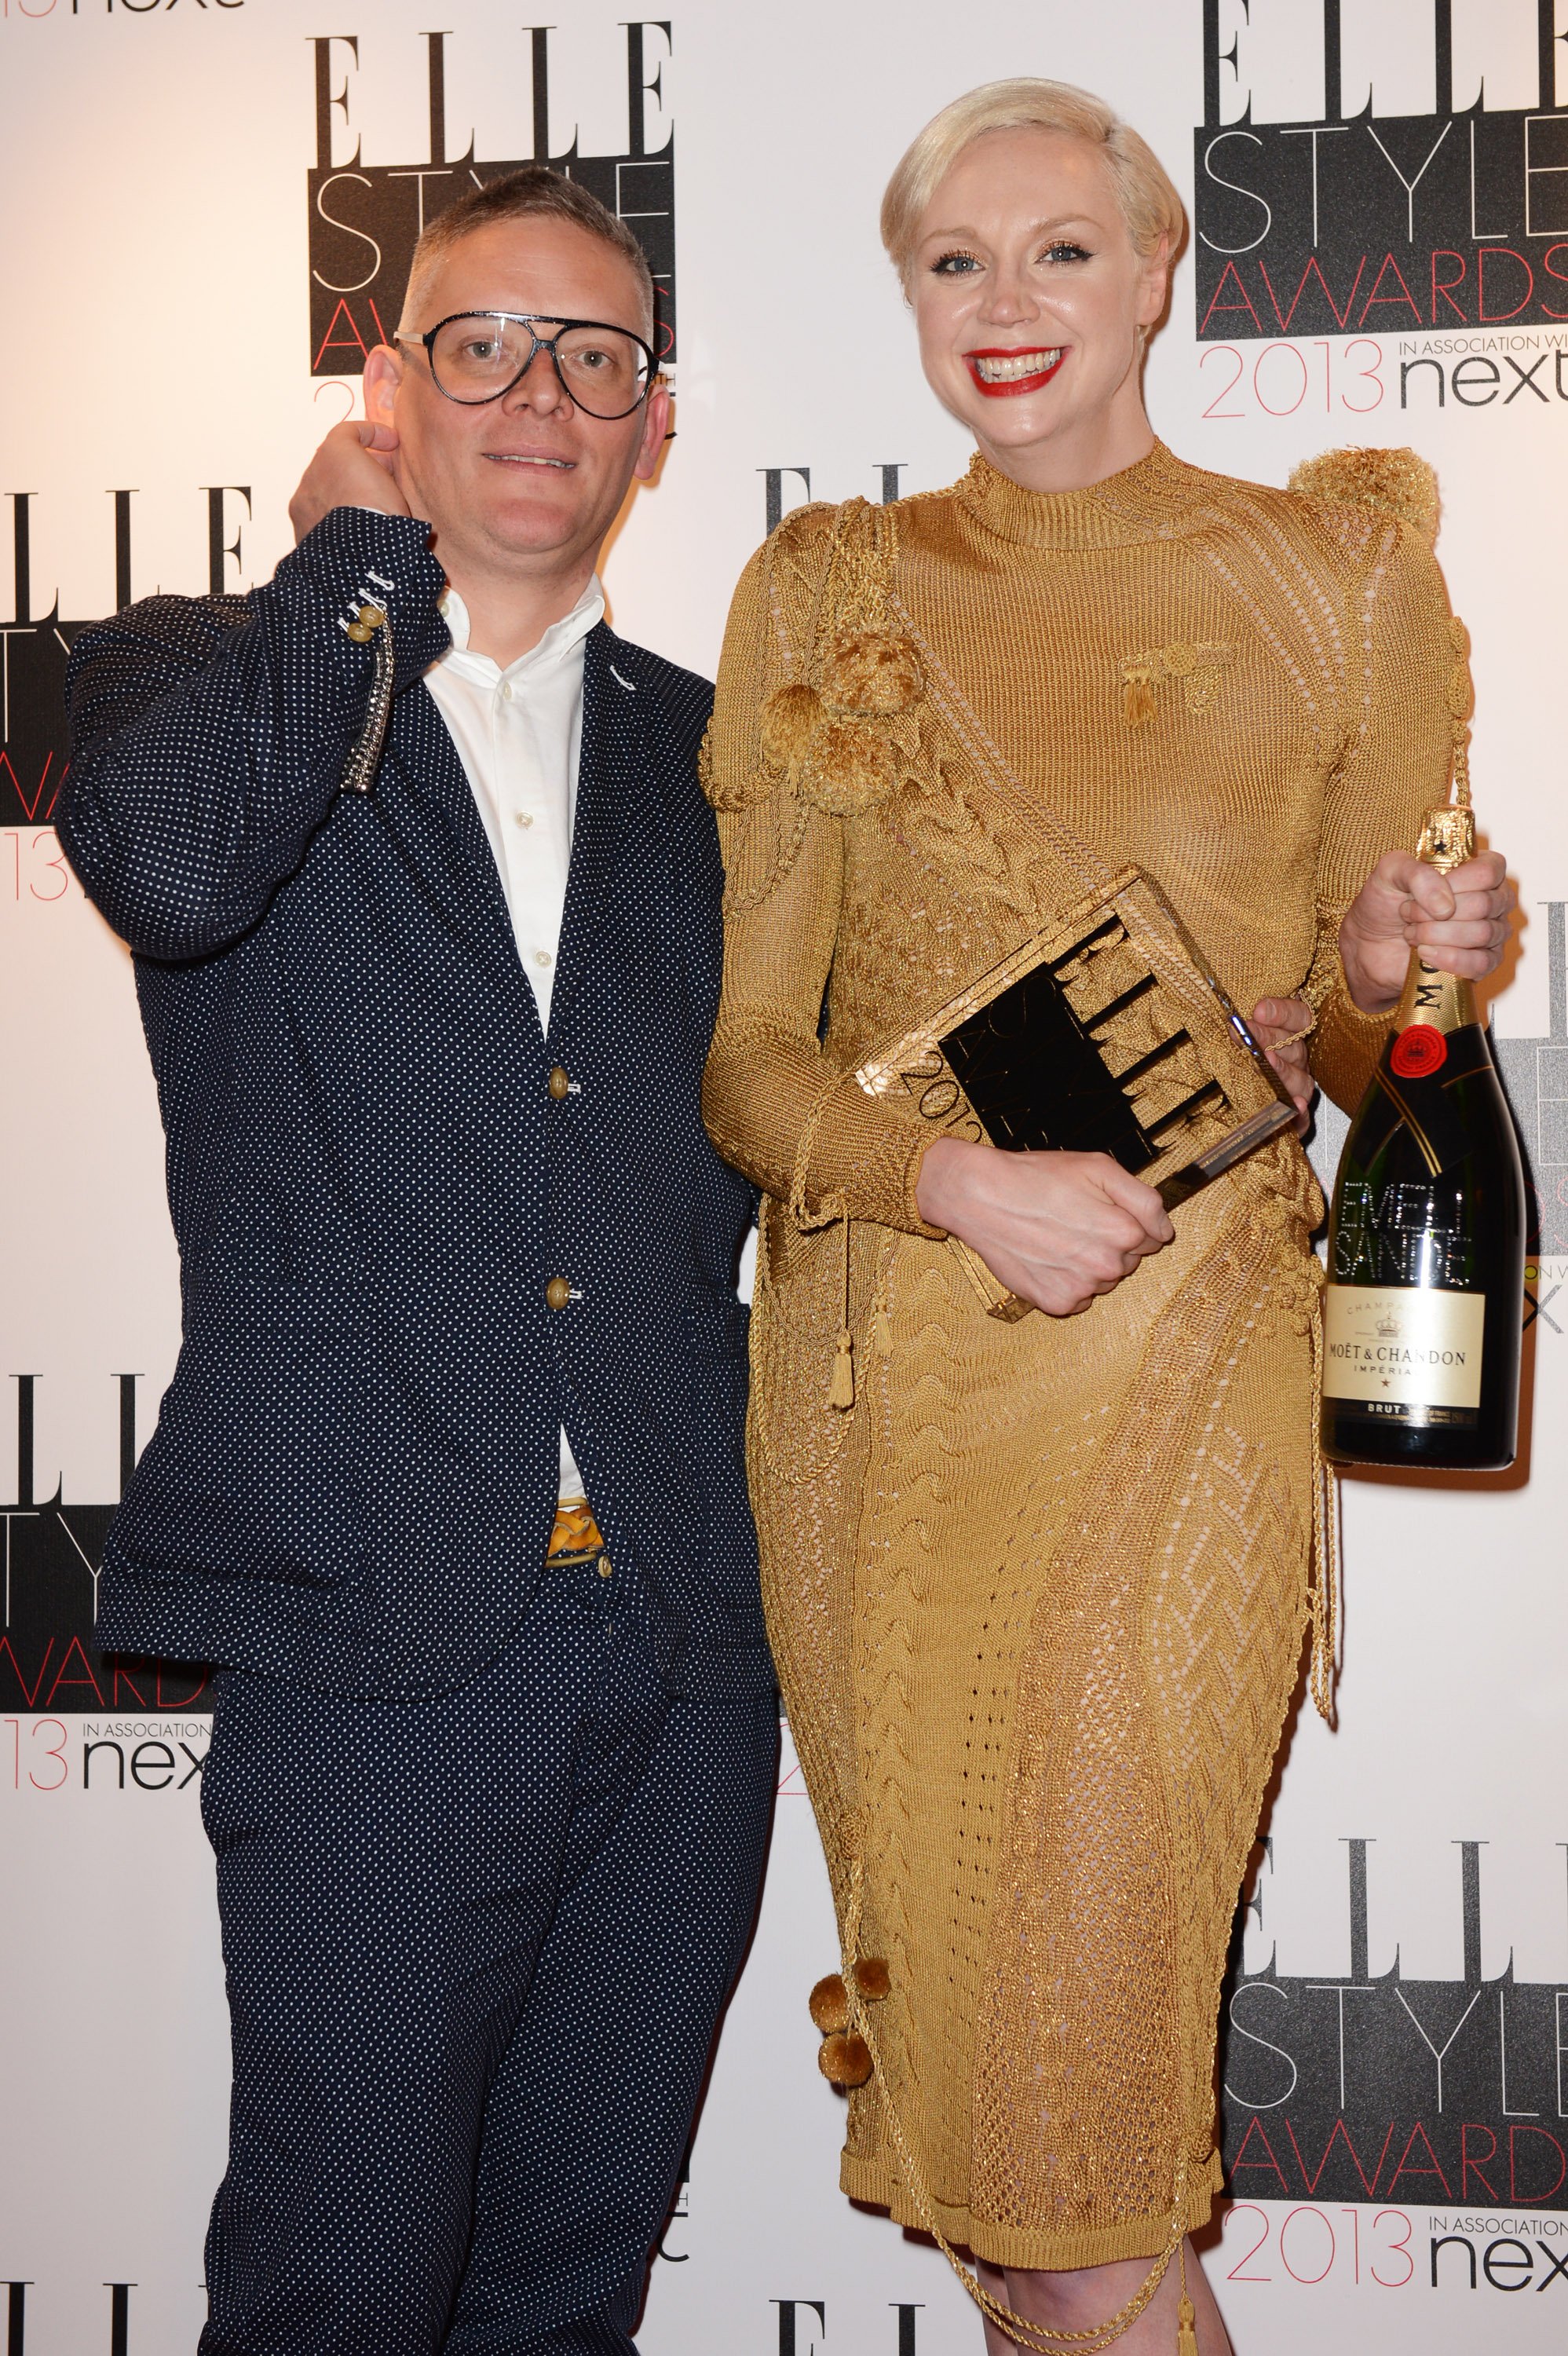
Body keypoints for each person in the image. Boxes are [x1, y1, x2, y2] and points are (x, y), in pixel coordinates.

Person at [700, 81, 1514, 2356]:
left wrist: (1381, 980)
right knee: (994, 2175)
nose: (1007, 307)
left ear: (1162, 270)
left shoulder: (1344, 573)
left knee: (1070, 2165)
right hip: (880, 1408)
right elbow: (749, 1066)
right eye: (955, 263)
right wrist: (950, 1177)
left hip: (1172, 1386)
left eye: (1062, 252)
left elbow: (1381, 1061)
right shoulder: (826, 590)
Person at [59, 167, 776, 2356]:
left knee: (563, 2298)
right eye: (479, 343)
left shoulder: (724, 756)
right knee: (342, 2290)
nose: (539, 392)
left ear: (658, 422)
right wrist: (352, 566)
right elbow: (171, 872)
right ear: (387, 387)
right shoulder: (220, 674)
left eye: (598, 355)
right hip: (378, 1633)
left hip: (681, 1638)